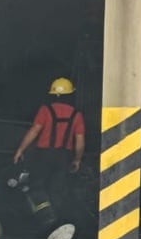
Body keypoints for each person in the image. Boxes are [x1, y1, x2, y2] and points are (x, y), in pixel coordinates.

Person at [12, 76, 86, 228]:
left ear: (53, 94)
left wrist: (20, 149)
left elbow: (34, 131)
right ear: (70, 94)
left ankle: (45, 220)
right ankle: (57, 224)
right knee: (57, 190)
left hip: (44, 155)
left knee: (37, 187)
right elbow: (80, 141)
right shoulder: (76, 115)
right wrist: (77, 159)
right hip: (64, 157)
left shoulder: (45, 110)